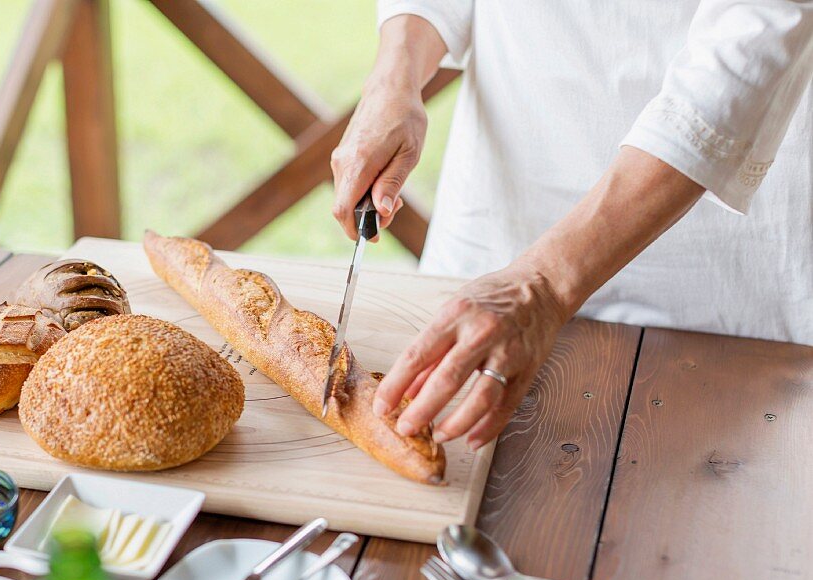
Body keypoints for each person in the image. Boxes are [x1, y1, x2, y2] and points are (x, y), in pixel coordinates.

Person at [331, 2, 813, 452]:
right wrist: (393, 80)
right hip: (492, 235)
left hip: (718, 286)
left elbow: (758, 27)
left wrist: (544, 282)